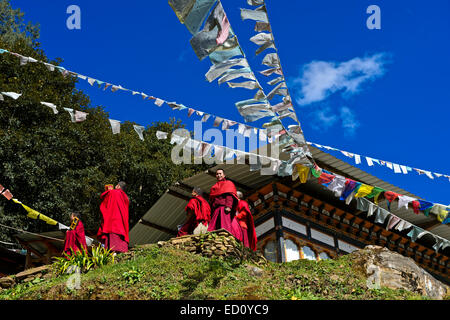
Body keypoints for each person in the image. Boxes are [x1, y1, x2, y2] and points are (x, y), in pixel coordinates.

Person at [207, 168, 240, 238]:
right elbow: (212, 199)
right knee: (214, 225)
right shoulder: (214, 186)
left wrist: (228, 206)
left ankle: (226, 237)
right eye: (217, 174)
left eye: (220, 174)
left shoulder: (228, 183)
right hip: (216, 209)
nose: (218, 175)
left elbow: (229, 196)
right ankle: (212, 237)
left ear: (224, 175)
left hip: (224, 208)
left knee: (225, 224)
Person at [97, 181, 129, 253]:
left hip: (113, 220)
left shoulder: (114, 192)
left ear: (118, 186)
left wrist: (108, 190)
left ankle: (113, 252)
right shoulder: (126, 197)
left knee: (113, 235)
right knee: (120, 236)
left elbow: (103, 196)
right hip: (122, 221)